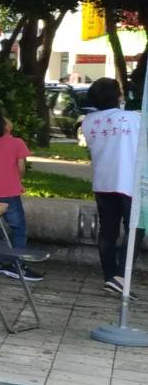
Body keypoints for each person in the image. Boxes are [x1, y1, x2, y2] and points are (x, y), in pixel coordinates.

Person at [82, 78, 137, 294]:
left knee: (108, 230)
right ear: (118, 96)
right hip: (127, 182)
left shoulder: (88, 122)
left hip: (103, 182)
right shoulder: (132, 118)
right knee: (134, 228)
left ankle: (110, 276)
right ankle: (121, 276)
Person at [0, 108, 40, 282]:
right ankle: (16, 263)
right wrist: (17, 181)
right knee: (18, 229)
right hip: (10, 193)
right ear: (4, 126)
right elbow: (21, 168)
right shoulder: (17, 143)